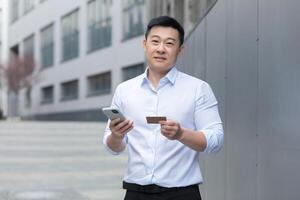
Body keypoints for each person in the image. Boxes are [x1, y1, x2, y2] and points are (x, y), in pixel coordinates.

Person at [103, 16, 224, 200]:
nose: (161, 49)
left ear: (180, 50)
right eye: (155, 41)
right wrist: (117, 135)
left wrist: (181, 134)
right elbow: (113, 148)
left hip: (182, 194)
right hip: (136, 193)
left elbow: (216, 140)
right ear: (145, 44)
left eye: (169, 43)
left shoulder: (198, 89)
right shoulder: (124, 90)